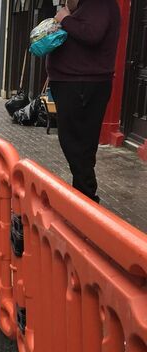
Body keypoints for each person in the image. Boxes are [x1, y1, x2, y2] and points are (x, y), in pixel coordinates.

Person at [47, 0, 120, 203]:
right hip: (77, 84)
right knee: (78, 144)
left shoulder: (99, 4)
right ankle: (83, 197)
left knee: (76, 144)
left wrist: (66, 19)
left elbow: (92, 34)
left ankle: (86, 198)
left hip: (82, 85)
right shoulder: (88, 7)